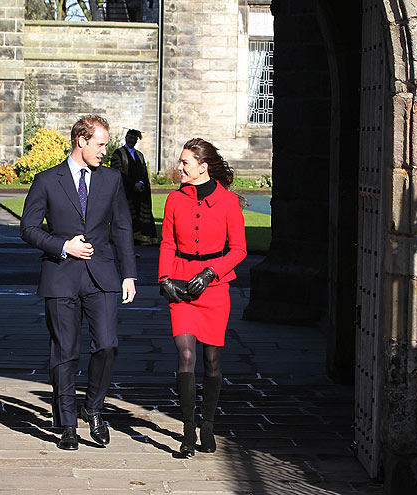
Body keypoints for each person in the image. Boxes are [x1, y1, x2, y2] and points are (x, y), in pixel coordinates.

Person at [20, 115, 137, 451]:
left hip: (102, 276)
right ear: (81, 141)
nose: (105, 151)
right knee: (65, 351)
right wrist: (62, 246)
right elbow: (28, 228)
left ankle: (95, 408)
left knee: (107, 345)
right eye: (100, 144)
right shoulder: (46, 180)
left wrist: (128, 273)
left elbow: (124, 228)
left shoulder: (112, 180)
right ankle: (67, 423)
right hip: (61, 275)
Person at [158, 138, 247, 457]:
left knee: (212, 361)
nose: (179, 167)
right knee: (185, 355)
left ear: (202, 167)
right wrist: (164, 278)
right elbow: (167, 242)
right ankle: (187, 429)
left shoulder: (227, 202)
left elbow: (239, 250)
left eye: (185, 162)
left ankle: (207, 424)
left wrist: (211, 273)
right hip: (181, 284)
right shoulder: (173, 200)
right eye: (180, 161)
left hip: (214, 287)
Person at [110, 129, 158, 246]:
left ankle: (142, 237)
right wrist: (133, 184)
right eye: (130, 138)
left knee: (141, 214)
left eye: (135, 139)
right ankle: (128, 238)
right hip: (126, 191)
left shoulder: (139, 155)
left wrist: (141, 183)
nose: (132, 141)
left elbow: (144, 172)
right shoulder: (118, 153)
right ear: (126, 138)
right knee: (127, 215)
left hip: (140, 191)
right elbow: (118, 172)